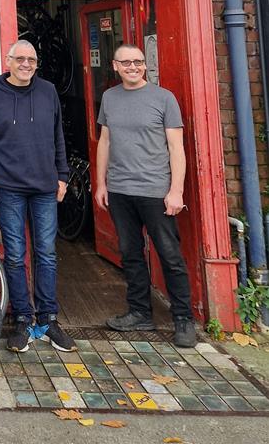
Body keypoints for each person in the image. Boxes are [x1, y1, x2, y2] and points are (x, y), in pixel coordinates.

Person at [0, 39, 75, 352]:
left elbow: (58, 135)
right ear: (9, 61)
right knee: (15, 256)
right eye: (20, 59)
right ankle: (22, 320)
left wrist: (62, 175)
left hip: (45, 186)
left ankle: (48, 320)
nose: (26, 64)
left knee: (46, 253)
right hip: (9, 187)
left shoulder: (47, 92)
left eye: (31, 59)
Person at [94, 44, 197, 348]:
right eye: (126, 62)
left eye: (138, 62)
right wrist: (100, 183)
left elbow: (176, 148)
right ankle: (140, 312)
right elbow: (105, 142)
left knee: (170, 254)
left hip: (155, 190)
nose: (133, 67)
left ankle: (183, 318)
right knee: (130, 253)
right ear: (115, 66)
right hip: (121, 190)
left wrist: (176, 190)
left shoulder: (163, 98)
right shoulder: (110, 98)